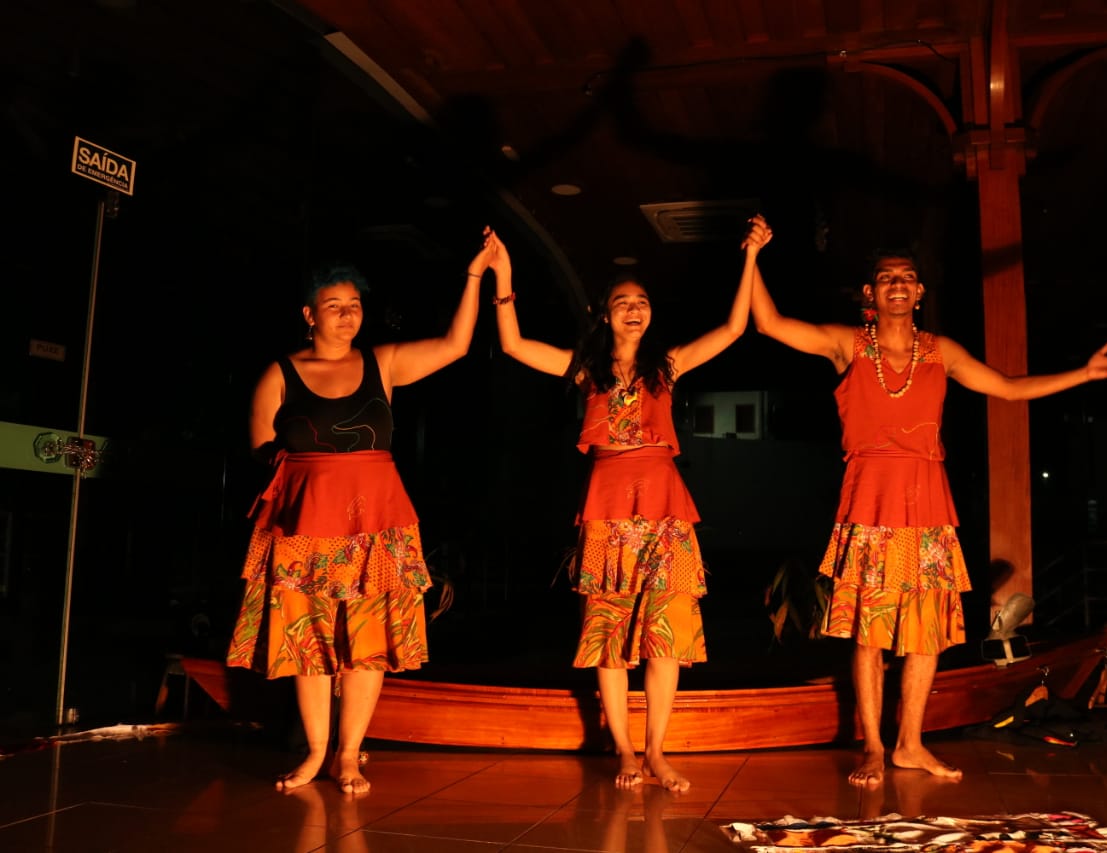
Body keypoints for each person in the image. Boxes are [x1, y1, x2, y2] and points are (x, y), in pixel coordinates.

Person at [747, 221, 1107, 787]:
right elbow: (770, 323)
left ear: (919, 292)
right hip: (870, 502)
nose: (897, 286)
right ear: (870, 295)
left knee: (925, 632)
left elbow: (1006, 387)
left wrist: (1083, 373)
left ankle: (910, 744)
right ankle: (876, 748)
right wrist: (754, 257)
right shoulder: (849, 344)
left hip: (928, 503)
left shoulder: (940, 353)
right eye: (885, 279)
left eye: (907, 278)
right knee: (871, 635)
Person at [489, 218, 768, 792]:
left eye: (641, 301)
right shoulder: (585, 369)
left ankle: (657, 751)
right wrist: (504, 275)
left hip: (666, 507)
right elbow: (514, 345)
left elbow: (735, 328)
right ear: (604, 312)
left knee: (665, 634)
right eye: (622, 302)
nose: (634, 309)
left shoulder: (666, 366)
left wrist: (751, 258)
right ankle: (624, 751)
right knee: (610, 635)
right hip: (609, 507)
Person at [226, 227, 503, 793]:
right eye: (334, 306)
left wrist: (476, 274)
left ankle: (349, 754)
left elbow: (454, 344)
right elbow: (259, 450)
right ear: (309, 313)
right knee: (308, 644)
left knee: (367, 645)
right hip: (307, 523)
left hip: (377, 524)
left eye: (355, 306)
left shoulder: (385, 363)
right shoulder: (279, 373)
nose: (347, 315)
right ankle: (315, 753)